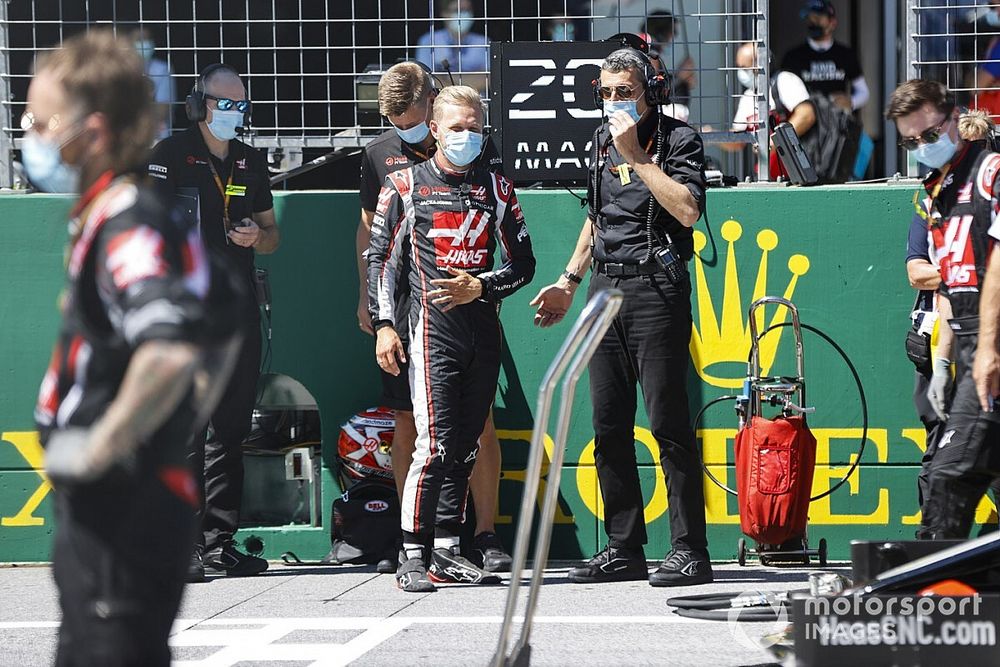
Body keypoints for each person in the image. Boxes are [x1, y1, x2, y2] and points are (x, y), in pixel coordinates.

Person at [27, 31, 228, 665]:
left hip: (121, 512)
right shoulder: (129, 214)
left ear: (90, 130)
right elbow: (216, 332)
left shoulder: (127, 222)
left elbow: (168, 352)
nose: (28, 133)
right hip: (128, 510)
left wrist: (99, 451)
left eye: (38, 120)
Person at [530, 48, 712, 586]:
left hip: (656, 287)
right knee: (609, 425)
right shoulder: (599, 142)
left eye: (624, 92)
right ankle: (624, 545)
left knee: (668, 424)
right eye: (606, 94)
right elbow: (597, 216)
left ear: (650, 90)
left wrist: (637, 155)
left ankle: (689, 550)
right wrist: (569, 279)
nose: (613, 103)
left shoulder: (678, 140)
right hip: (603, 288)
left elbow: (688, 210)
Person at [367, 85, 535, 592]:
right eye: (456, 127)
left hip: (483, 327)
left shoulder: (498, 188)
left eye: (474, 126)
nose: (467, 136)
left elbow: (524, 265)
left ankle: (446, 549)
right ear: (435, 129)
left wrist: (481, 286)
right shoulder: (403, 185)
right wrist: (383, 325)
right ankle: (411, 553)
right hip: (429, 328)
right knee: (434, 443)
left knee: (465, 444)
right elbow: (378, 259)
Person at [148, 63, 280, 579]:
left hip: (238, 309)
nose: (233, 112)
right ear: (199, 104)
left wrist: (257, 238)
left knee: (230, 429)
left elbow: (272, 234)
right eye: (224, 103)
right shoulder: (168, 155)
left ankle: (218, 541)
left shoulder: (250, 160)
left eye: (241, 104)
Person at [887, 79, 1000, 540]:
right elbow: (952, 286)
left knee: (950, 479)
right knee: (950, 476)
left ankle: (934, 598)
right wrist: (943, 364)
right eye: (910, 142)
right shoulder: (934, 192)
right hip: (970, 341)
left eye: (929, 136)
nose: (922, 147)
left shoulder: (992, 170)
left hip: (994, 344)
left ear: (953, 120)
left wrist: (989, 350)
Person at [724, 42, 816, 180]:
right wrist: (711, 136)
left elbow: (806, 115)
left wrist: (776, 142)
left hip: (798, 175)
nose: (741, 73)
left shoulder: (784, 80)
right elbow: (738, 140)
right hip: (766, 177)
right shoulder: (748, 97)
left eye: (745, 68)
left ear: (761, 64)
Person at [781, 0, 868, 114]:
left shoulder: (845, 54)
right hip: (807, 122)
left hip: (837, 123)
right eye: (810, 19)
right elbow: (782, 93)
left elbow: (864, 92)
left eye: (817, 18)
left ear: (832, 23)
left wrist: (851, 101)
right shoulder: (793, 57)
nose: (813, 22)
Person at [416, 0, 489, 74]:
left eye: (467, 10)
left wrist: (445, 78)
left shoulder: (483, 42)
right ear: (444, 13)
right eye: (457, 10)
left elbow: (488, 78)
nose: (463, 15)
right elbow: (425, 77)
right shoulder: (428, 40)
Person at [641, 10, 696, 106]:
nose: (675, 36)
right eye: (673, 32)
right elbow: (652, 90)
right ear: (661, 33)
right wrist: (680, 77)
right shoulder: (651, 54)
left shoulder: (648, 50)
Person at [133, 28, 174, 139]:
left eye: (147, 39)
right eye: (139, 39)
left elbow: (162, 108)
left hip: (157, 136)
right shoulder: (123, 70)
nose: (143, 43)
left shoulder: (162, 69)